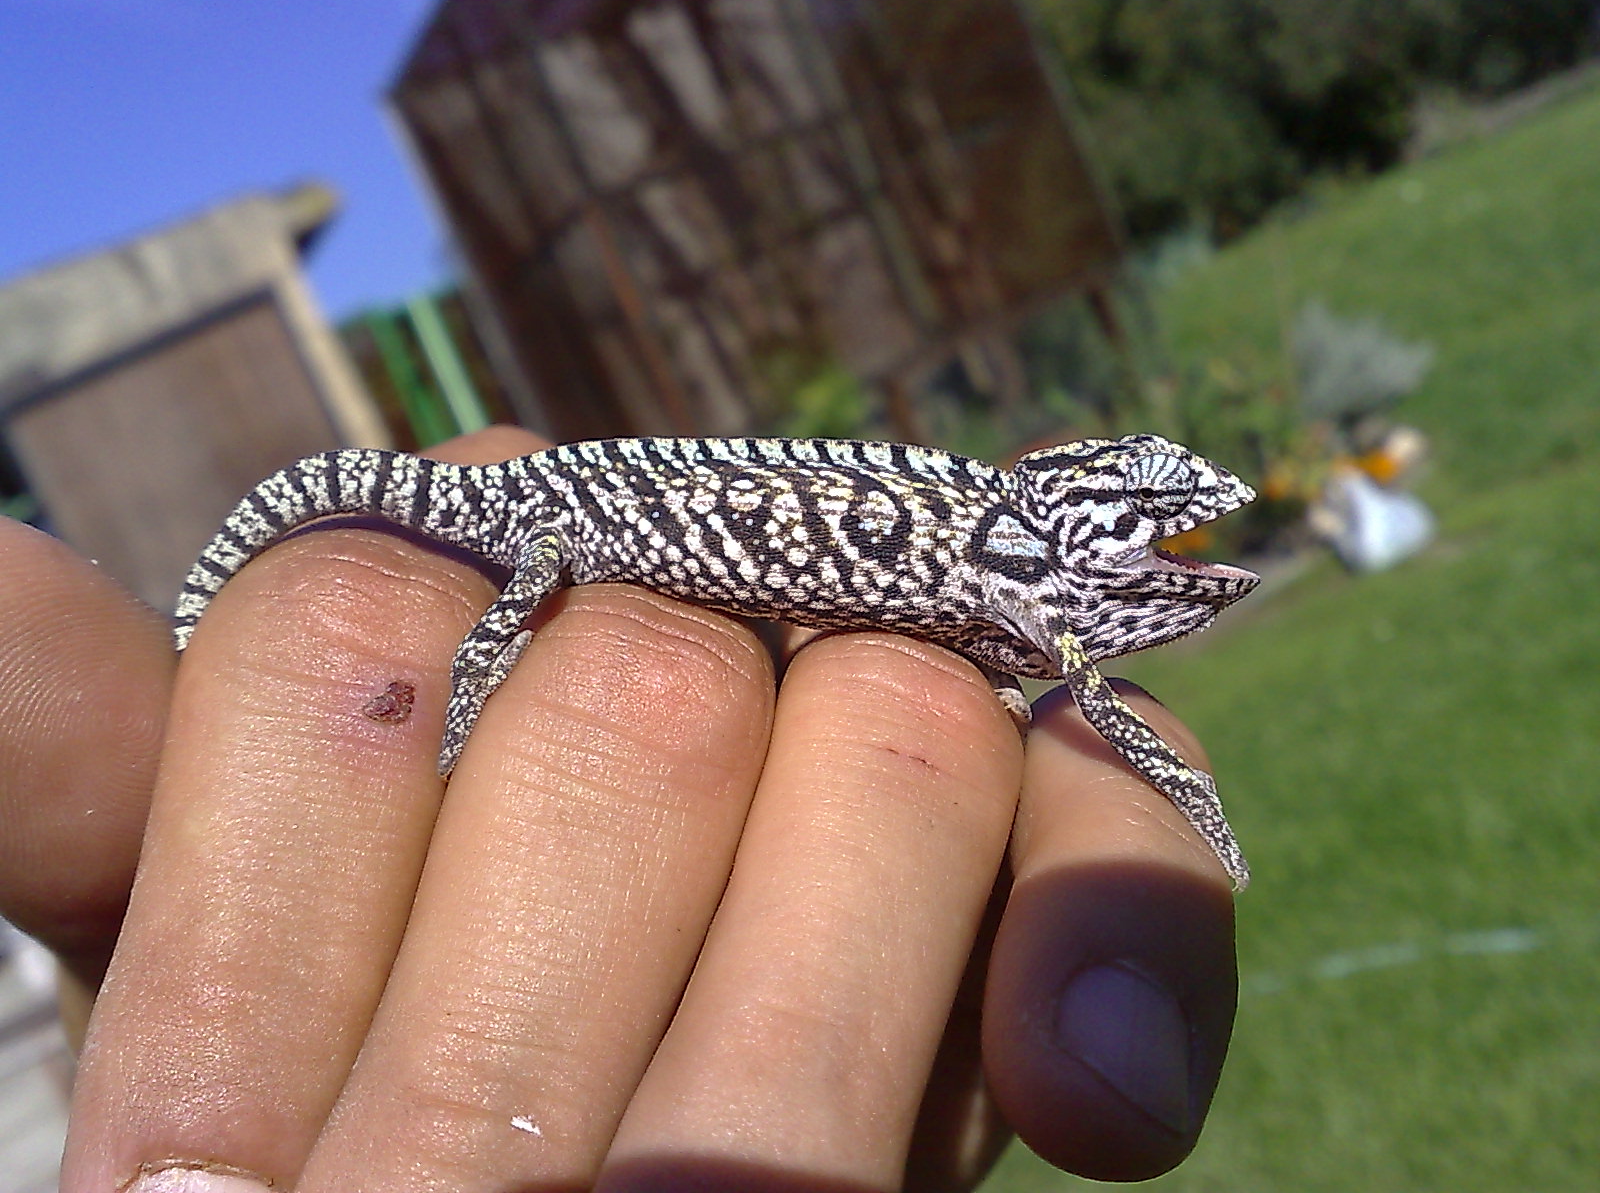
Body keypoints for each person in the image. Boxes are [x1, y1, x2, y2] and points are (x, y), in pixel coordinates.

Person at [0, 428, 1238, 1192]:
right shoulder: (1014, 565)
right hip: (556, 515)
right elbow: (1106, 711)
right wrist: (1189, 802)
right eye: (1147, 520)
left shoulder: (1002, 561)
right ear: (1085, 526)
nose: (1179, 540)